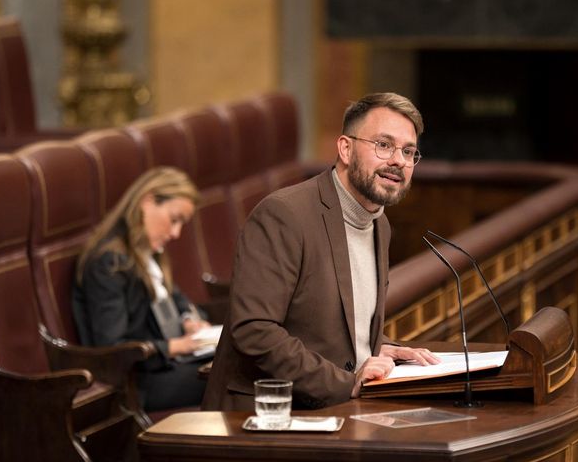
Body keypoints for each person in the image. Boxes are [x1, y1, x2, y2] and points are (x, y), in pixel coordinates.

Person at [203, 92, 440, 411]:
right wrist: (349, 382)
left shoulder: (379, 225)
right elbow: (254, 330)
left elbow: (318, 325)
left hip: (336, 408)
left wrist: (373, 350)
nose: (398, 160)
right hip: (269, 417)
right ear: (345, 148)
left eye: (409, 151)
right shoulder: (284, 214)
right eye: (383, 145)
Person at [73, 166, 212, 411]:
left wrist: (190, 320)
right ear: (147, 202)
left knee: (237, 367)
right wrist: (176, 346)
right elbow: (113, 346)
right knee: (227, 380)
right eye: (174, 219)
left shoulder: (148, 253)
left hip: (167, 366)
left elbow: (178, 300)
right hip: (137, 383)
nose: (176, 233)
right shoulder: (109, 264)